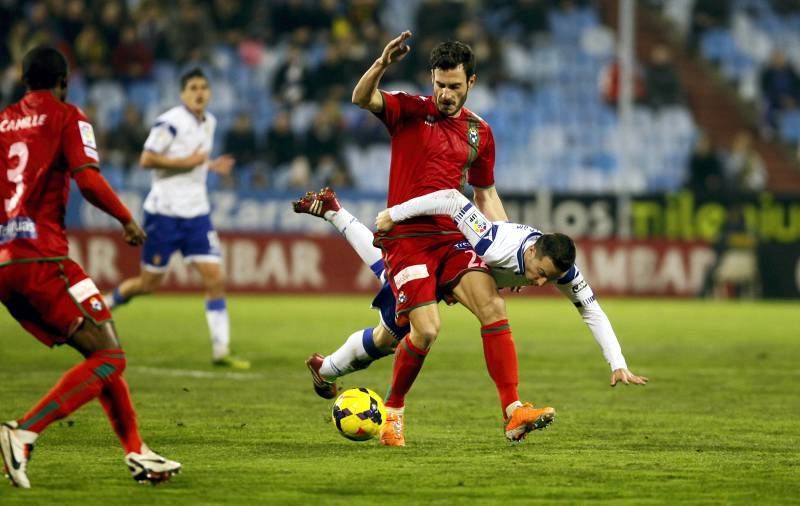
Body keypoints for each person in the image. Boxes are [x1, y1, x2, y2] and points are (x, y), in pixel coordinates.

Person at [351, 32, 552, 446]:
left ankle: (514, 413)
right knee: (425, 331)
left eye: (454, 86)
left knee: (493, 306)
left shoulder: (480, 134)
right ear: (432, 79)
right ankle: (393, 411)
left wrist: (508, 249)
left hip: (453, 237)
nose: (445, 94)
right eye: (440, 84)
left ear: (471, 83)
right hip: (406, 239)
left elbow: (485, 195)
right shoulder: (408, 109)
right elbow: (361, 98)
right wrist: (381, 64)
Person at [0, 46, 180, 489]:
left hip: (8, 262)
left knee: (103, 348)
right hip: (43, 257)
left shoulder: (3, 122)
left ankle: (137, 451)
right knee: (109, 356)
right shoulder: (67, 115)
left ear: (25, 82)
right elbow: (88, 178)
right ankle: (22, 432)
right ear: (64, 81)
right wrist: (126, 218)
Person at [294, 188, 648, 399]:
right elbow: (450, 198)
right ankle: (324, 369)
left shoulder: (563, 270)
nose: (541, 285)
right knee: (390, 336)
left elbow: (592, 311)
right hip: (439, 253)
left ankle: (335, 212)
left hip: (456, 276)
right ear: (532, 253)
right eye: (540, 275)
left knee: (388, 292)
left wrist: (618, 364)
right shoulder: (492, 242)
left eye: (548, 280)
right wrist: (394, 214)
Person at [103, 68, 249, 369]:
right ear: (183, 94)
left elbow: (193, 159)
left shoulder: (210, 122)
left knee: (216, 278)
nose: (199, 93)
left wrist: (207, 166)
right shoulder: (169, 122)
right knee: (147, 284)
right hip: (164, 213)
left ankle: (221, 351)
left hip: (197, 213)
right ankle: (103, 305)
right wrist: (189, 163)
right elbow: (147, 159)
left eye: (204, 87)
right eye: (193, 87)